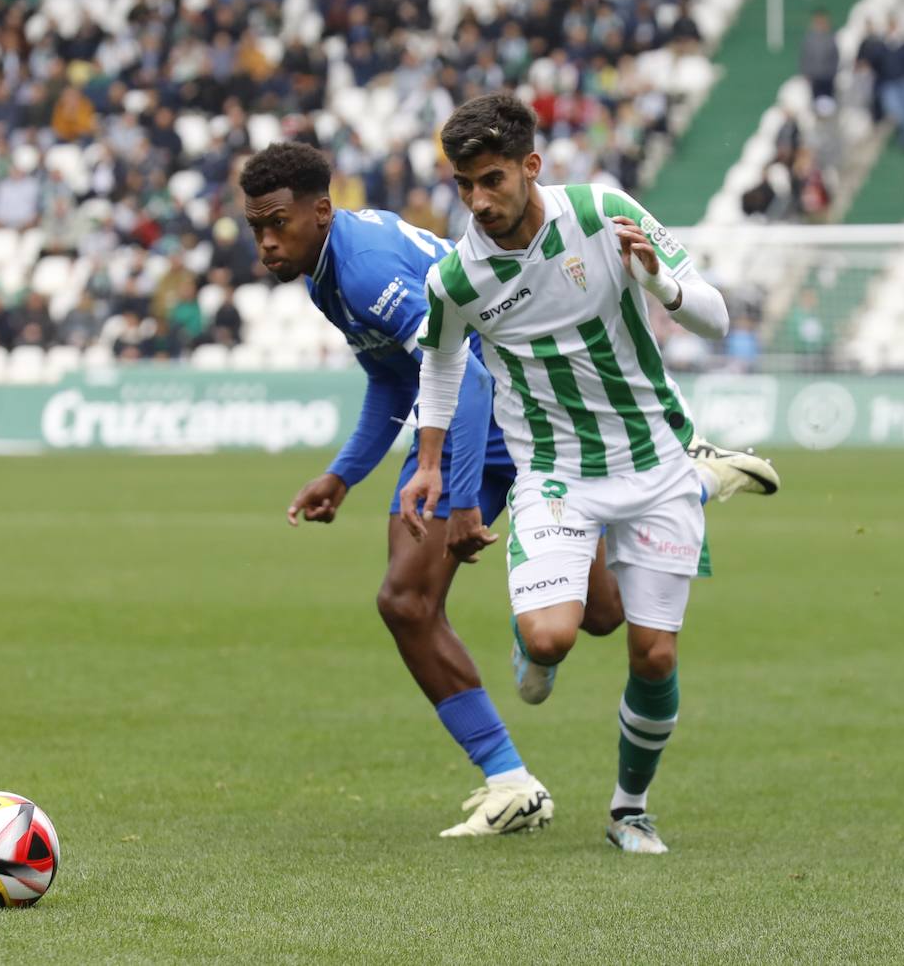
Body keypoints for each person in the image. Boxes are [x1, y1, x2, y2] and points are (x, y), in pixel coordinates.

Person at [241, 140, 779, 839]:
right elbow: (394, 380)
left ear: (320, 212)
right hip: (481, 414)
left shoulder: (365, 268)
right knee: (591, 615)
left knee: (412, 600)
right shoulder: (327, 270)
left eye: (276, 223)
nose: (266, 242)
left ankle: (511, 782)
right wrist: (343, 474)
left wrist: (462, 496)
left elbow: (461, 374)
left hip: (496, 418)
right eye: (256, 227)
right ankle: (694, 481)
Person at [400, 94, 758, 857]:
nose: (478, 201)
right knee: (553, 637)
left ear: (531, 166)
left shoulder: (603, 213)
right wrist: (428, 463)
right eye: (464, 185)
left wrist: (660, 283)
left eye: (493, 180)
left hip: (655, 457)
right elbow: (441, 362)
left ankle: (630, 810)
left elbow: (715, 318)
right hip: (556, 469)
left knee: (653, 653)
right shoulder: (458, 277)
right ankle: (534, 640)